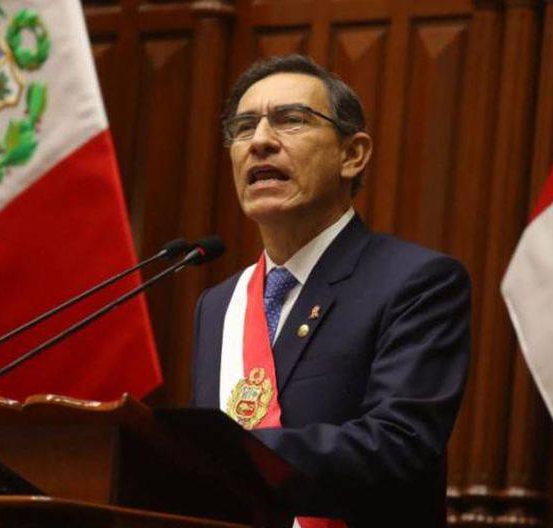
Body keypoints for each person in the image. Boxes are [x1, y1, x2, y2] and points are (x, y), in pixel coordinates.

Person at [190, 54, 471, 527]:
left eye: (290, 120)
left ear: (352, 155)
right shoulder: (219, 305)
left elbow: (399, 446)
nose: (259, 141)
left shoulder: (417, 282)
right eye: (243, 128)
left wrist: (219, 453)